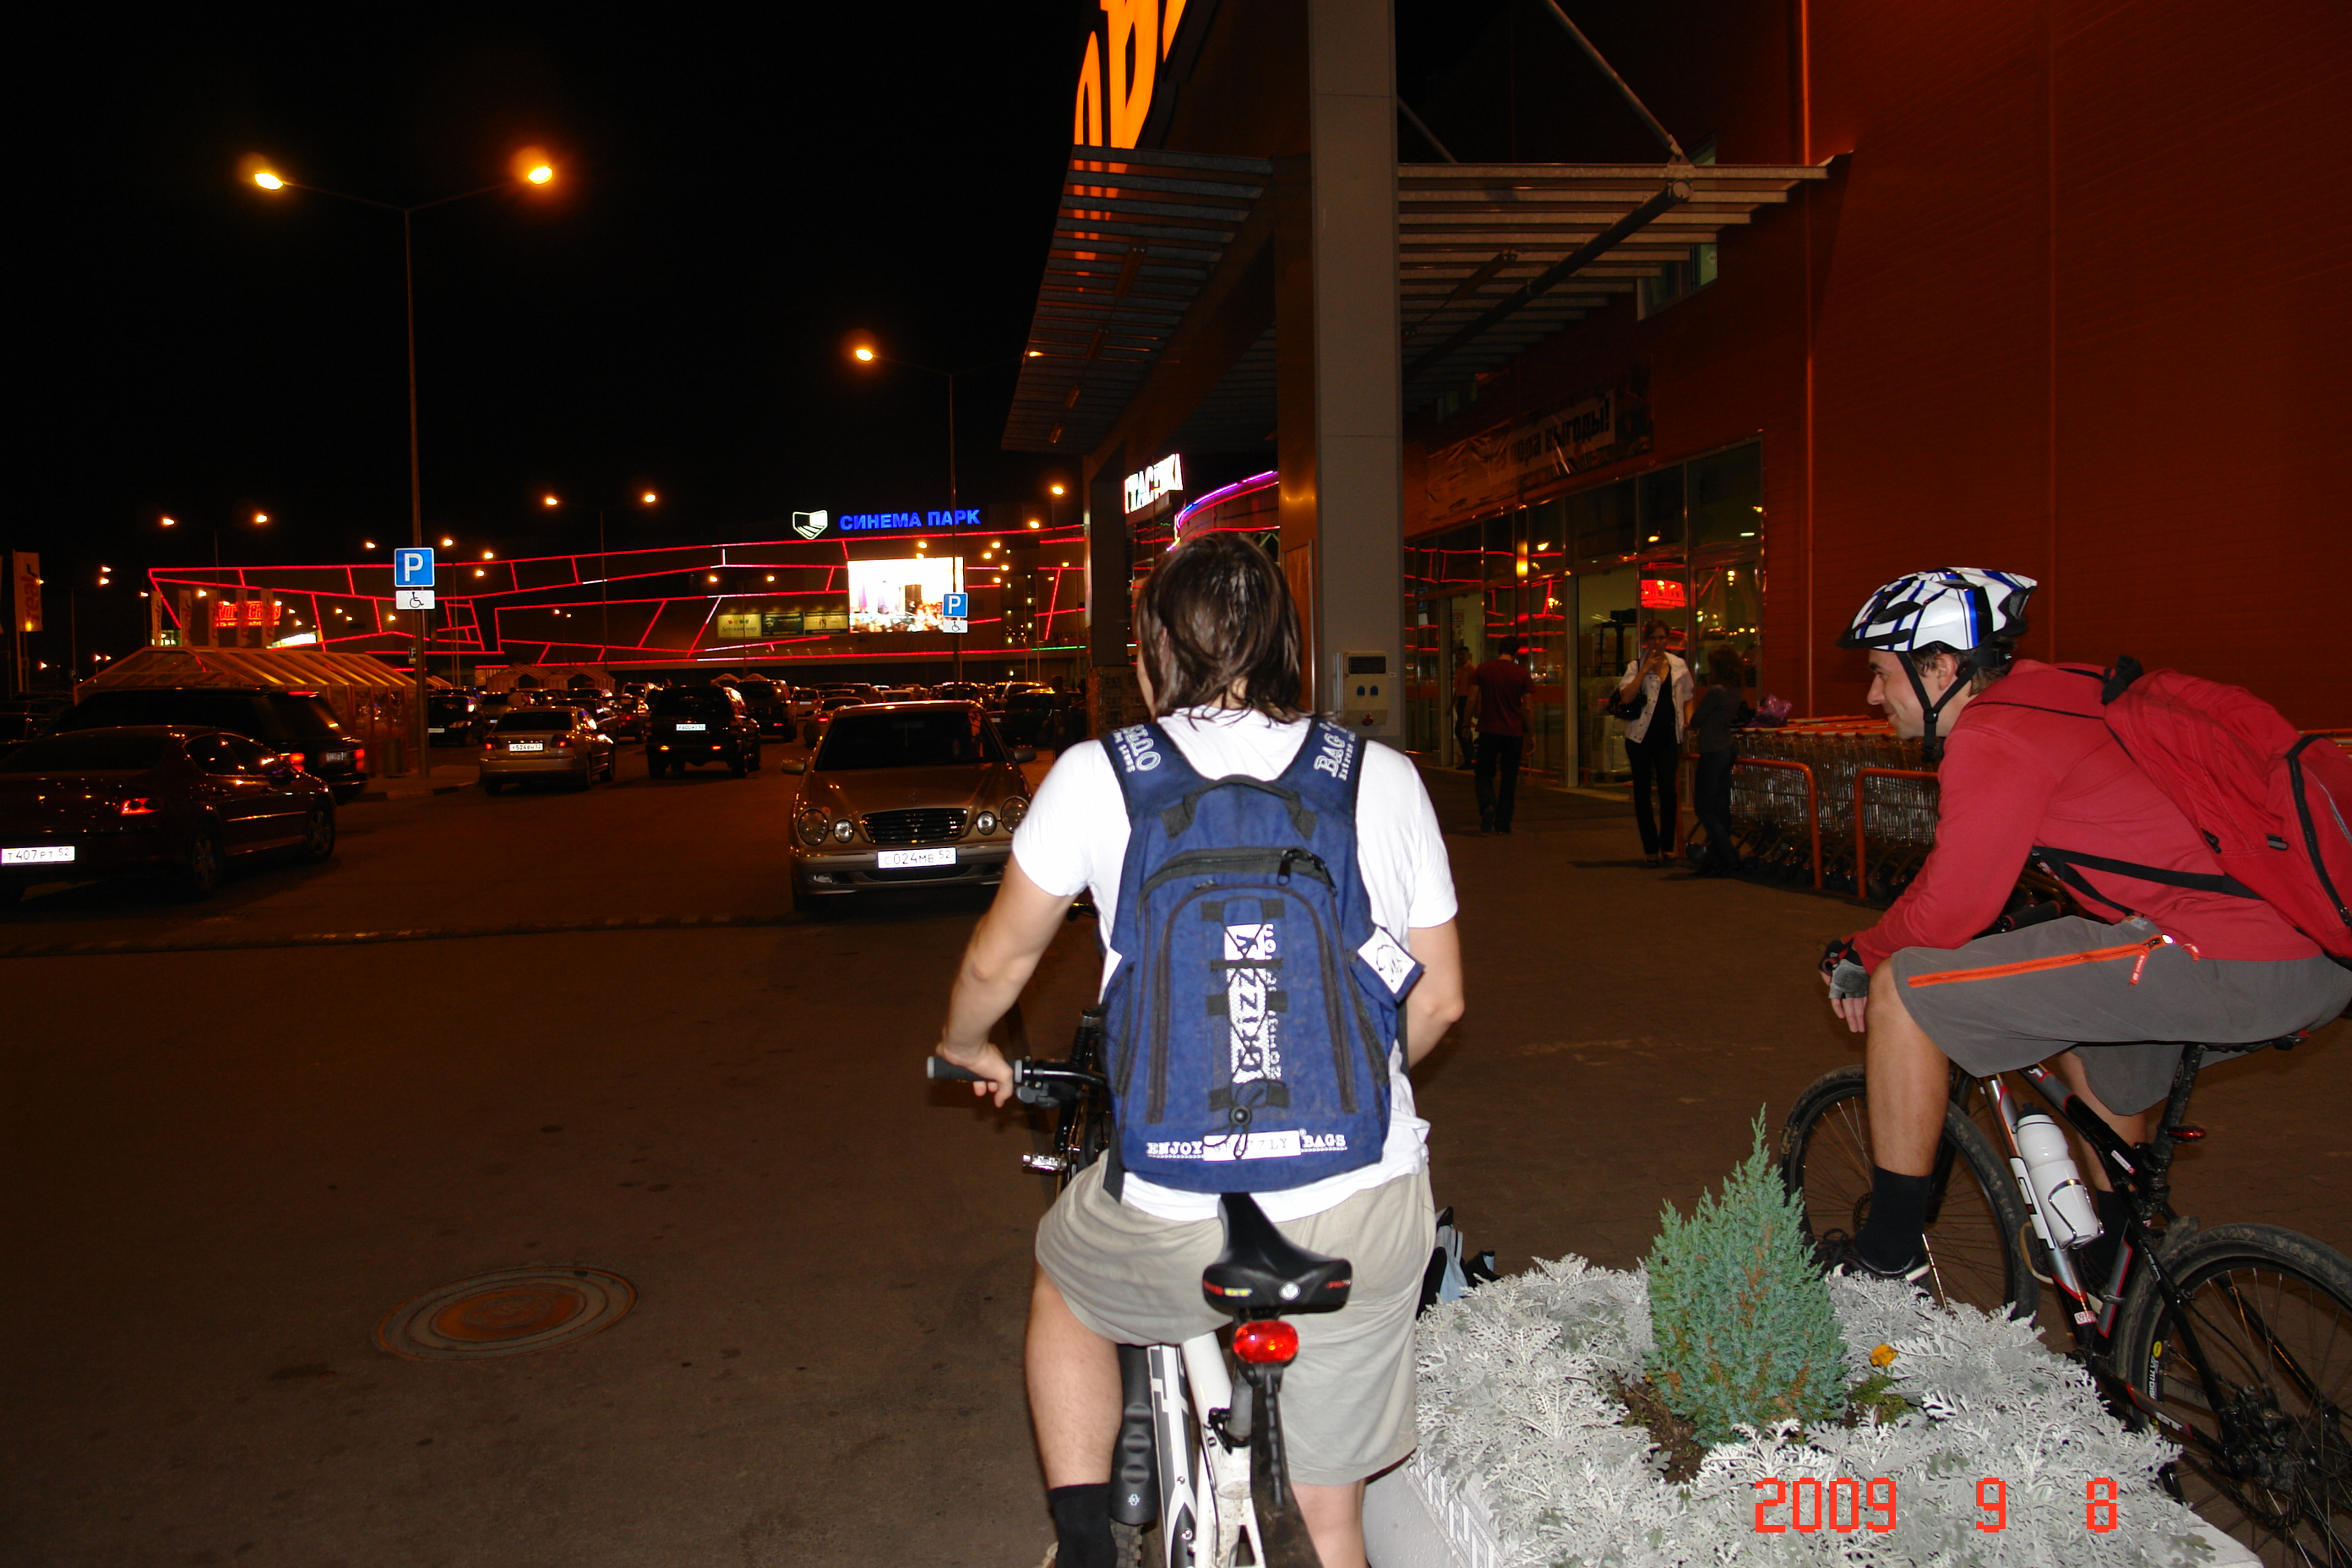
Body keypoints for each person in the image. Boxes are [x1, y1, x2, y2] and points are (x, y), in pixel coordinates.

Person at [932, 531, 1466, 1568]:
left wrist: (965, 1044)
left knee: (1065, 1285)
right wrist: (1333, 1068)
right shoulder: (1381, 775)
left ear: (1154, 654)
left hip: (1174, 1201)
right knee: (1331, 1522)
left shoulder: (1098, 775)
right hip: (1361, 1198)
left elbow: (999, 962)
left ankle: (1084, 1542)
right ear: (1290, 648)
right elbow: (1439, 1000)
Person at [1817, 569, 2352, 1285]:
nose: (1873, 696)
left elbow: (1953, 907)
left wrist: (1864, 951)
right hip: (2309, 956)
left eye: (1882, 673)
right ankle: (2118, 1259)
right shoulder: (2065, 688)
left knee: (1904, 990)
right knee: (2082, 1027)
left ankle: (1887, 1257)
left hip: (2224, 958)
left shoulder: (1994, 732)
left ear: (1941, 667)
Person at [1616, 621, 1693, 864]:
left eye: (1662, 638)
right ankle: (1650, 848)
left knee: (1668, 791)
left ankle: (1667, 846)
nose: (1658, 643)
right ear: (1646, 641)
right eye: (1653, 638)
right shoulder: (1636, 665)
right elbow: (1626, 697)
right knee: (1642, 792)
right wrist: (1644, 671)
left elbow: (1688, 697)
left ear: (1667, 639)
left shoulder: (1678, 664)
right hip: (1640, 737)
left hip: (1669, 736)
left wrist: (1688, 722)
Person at [1683, 646, 1746, 876]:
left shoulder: (1716, 691)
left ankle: (1728, 856)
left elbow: (1697, 720)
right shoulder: (1735, 690)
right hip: (1727, 747)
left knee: (1704, 807)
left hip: (1713, 749)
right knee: (1720, 807)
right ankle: (1716, 858)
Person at [1472, 640, 1533, 833]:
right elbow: (1527, 708)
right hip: (1513, 732)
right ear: (1516, 652)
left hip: (1489, 729)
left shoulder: (1483, 669)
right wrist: (1531, 733)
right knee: (1509, 778)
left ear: (1498, 650)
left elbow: (1473, 698)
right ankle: (1503, 823)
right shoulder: (1522, 673)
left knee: (1483, 773)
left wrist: (1465, 723)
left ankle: (1488, 804)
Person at [1451, 645, 1477, 768]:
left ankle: (1469, 759)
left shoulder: (1472, 669)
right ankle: (1469, 758)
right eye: (1458, 655)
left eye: (1462, 654)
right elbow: (1457, 689)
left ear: (1469, 655)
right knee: (1462, 730)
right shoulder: (1460, 670)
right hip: (1462, 700)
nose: (1460, 657)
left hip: (1468, 700)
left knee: (1462, 729)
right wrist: (1451, 704)